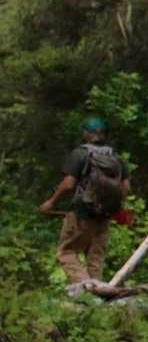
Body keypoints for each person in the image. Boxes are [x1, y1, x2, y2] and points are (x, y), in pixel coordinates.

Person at [38, 116, 130, 287]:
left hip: (82, 214)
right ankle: (98, 294)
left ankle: (86, 288)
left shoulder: (80, 154)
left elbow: (68, 185)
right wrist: (108, 205)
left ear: (86, 134)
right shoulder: (115, 157)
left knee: (66, 252)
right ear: (104, 135)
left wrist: (51, 202)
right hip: (105, 216)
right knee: (95, 258)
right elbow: (126, 189)